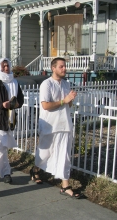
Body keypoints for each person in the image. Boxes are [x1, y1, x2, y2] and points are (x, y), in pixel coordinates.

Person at [32, 57, 82, 198]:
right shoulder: (46, 84)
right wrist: (63, 100)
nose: (64, 69)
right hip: (49, 124)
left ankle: (65, 186)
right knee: (45, 153)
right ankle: (35, 169)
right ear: (53, 68)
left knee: (64, 156)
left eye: (65, 66)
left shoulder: (66, 84)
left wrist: (70, 100)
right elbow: (45, 105)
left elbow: (68, 105)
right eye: (61, 66)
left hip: (64, 124)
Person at [0, 58, 24, 184]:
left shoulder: (14, 82)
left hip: (10, 117)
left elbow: (20, 99)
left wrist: (17, 104)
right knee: (1, 145)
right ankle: (6, 172)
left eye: (8, 66)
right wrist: (2, 105)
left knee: (2, 145)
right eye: (4, 66)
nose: (6, 68)